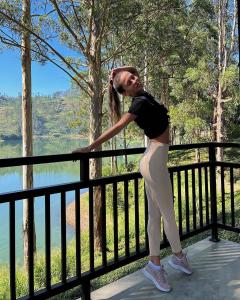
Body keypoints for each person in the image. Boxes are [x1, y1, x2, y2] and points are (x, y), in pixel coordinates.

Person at [72, 66, 192, 292]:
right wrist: (90, 147)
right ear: (125, 93)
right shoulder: (138, 103)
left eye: (134, 77)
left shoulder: (145, 95)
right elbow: (117, 127)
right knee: (168, 214)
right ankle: (178, 256)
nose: (135, 79)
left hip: (154, 157)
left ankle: (154, 264)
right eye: (129, 82)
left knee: (155, 215)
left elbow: (133, 70)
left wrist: (118, 71)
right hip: (154, 160)